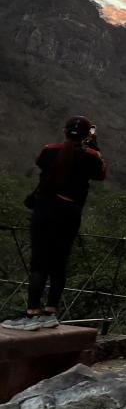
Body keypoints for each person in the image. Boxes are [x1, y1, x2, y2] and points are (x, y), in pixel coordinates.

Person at [2, 116, 107, 331]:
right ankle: (50, 313)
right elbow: (100, 173)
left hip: (46, 210)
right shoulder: (92, 156)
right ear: (86, 135)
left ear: (64, 130)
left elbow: (40, 162)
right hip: (71, 214)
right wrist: (93, 147)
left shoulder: (50, 150)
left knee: (39, 264)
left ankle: (32, 315)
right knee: (59, 264)